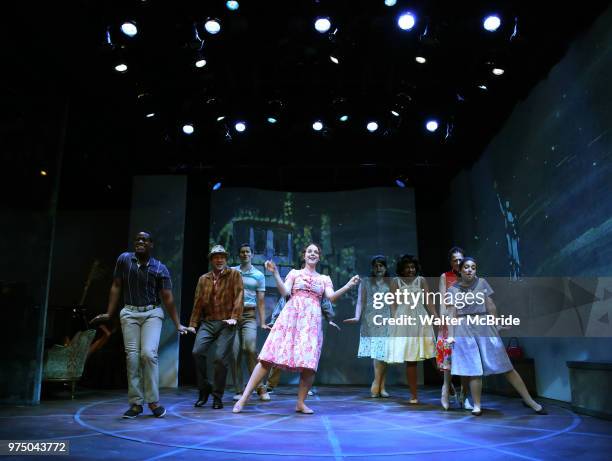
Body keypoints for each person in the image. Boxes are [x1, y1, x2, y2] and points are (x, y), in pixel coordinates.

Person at [233, 243, 360, 414]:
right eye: (309, 251)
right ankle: (244, 398)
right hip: (290, 318)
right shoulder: (294, 273)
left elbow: (331, 298)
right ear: (304, 255)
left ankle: (300, 403)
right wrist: (275, 273)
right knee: (267, 358)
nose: (312, 254)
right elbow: (285, 292)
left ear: (319, 257)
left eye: (316, 252)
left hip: (310, 323)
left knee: (309, 364)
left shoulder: (324, 278)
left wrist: (348, 286)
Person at [91, 231, 188, 419]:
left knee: (148, 354)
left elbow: (168, 299)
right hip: (129, 313)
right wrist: (109, 313)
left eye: (144, 240)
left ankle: (153, 401)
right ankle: (136, 403)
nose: (140, 242)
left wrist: (177, 324)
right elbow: (117, 285)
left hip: (152, 313)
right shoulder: (124, 260)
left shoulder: (160, 268)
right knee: (132, 358)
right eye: (137, 239)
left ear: (151, 244)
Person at [446, 257, 546, 416]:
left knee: (505, 365)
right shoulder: (453, 290)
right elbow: (451, 314)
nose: (470, 270)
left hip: (484, 325)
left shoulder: (482, 283)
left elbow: (490, 304)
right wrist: (451, 336)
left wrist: (496, 323)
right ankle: (477, 404)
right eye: (466, 267)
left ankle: (529, 400)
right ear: (460, 269)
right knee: (474, 368)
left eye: (473, 267)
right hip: (464, 328)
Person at [187, 245, 243, 410]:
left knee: (220, 358)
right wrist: (192, 324)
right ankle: (204, 389)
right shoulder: (203, 279)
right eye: (216, 257)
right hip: (209, 322)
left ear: (226, 259)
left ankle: (217, 396)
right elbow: (197, 303)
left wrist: (234, 318)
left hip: (227, 323)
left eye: (222, 257)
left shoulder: (234, 274)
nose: (219, 260)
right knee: (197, 352)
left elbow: (239, 296)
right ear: (211, 260)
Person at [385, 255, 436, 404]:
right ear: (402, 269)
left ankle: (449, 386)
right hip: (404, 321)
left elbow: (429, 302)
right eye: (407, 267)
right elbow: (393, 304)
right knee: (411, 359)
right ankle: (413, 395)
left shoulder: (421, 280)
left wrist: (436, 318)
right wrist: (395, 321)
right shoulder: (396, 282)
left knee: (433, 355)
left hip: (420, 318)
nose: (410, 270)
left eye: (412, 267)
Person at [344, 255, 391, 398]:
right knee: (378, 353)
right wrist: (357, 316)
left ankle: (381, 386)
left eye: (381, 265)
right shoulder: (365, 282)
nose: (379, 268)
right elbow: (360, 302)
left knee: (385, 354)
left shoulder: (391, 283)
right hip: (371, 320)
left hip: (387, 319)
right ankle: (377, 384)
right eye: (376, 266)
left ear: (385, 267)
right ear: (372, 267)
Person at [230, 243, 271, 402]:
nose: (245, 254)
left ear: (252, 255)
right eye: (242, 252)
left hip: (249, 314)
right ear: (239, 255)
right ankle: (239, 390)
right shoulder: (232, 271)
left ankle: (260, 387)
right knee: (234, 354)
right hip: (233, 316)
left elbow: (261, 301)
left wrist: (262, 322)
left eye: (248, 252)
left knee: (250, 348)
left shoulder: (259, 275)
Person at [437, 247, 473, 410]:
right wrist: (444, 318)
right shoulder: (445, 276)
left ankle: (464, 395)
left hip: (466, 322)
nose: (458, 262)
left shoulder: (470, 275)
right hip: (450, 321)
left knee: (466, 358)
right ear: (450, 261)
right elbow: (443, 300)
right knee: (448, 357)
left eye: (460, 259)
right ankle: (445, 390)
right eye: (455, 260)